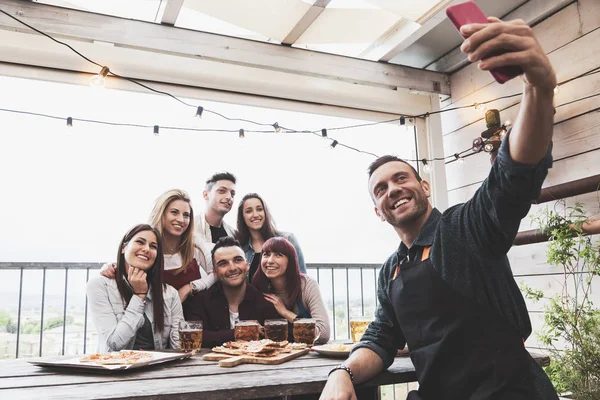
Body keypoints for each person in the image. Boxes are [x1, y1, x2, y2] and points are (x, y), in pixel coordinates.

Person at [321, 17, 559, 400]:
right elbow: (381, 338)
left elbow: (510, 178)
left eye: (401, 178)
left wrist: (539, 86)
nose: (393, 189)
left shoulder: (464, 228)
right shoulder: (390, 270)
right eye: (380, 189)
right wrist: (342, 373)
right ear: (378, 212)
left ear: (424, 186)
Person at [101, 189, 215, 304]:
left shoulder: (194, 243)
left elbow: (215, 272)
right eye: (174, 212)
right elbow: (123, 260)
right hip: (158, 314)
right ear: (161, 213)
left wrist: (190, 288)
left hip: (194, 314)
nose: (181, 220)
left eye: (186, 215)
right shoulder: (148, 245)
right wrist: (109, 267)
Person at [87, 224, 184, 352]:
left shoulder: (170, 293)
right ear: (123, 248)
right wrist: (139, 295)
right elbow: (114, 343)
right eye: (140, 242)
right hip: (118, 368)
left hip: (158, 369)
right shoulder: (99, 285)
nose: (146, 249)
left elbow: (178, 345)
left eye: (153, 246)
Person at [183, 236, 280, 348]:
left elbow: (275, 339)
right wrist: (241, 331)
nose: (232, 268)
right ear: (214, 272)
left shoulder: (264, 302)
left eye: (237, 260)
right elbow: (195, 338)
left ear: (247, 265)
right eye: (223, 263)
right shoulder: (199, 301)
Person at [253, 237, 330, 344]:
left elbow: (323, 333)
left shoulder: (306, 285)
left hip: (306, 353)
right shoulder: (257, 287)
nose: (270, 261)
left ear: (291, 260)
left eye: (278, 255)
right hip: (273, 354)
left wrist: (285, 312)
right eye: (266, 254)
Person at [235, 193, 307, 280]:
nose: (255, 214)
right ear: (242, 216)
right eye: (249, 211)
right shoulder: (240, 249)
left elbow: (302, 278)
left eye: (259, 209)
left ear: (265, 212)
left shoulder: (288, 239)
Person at [195, 172, 237, 244]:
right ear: (206, 195)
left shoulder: (234, 235)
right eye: (222, 191)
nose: (229, 197)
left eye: (232, 194)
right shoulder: (190, 228)